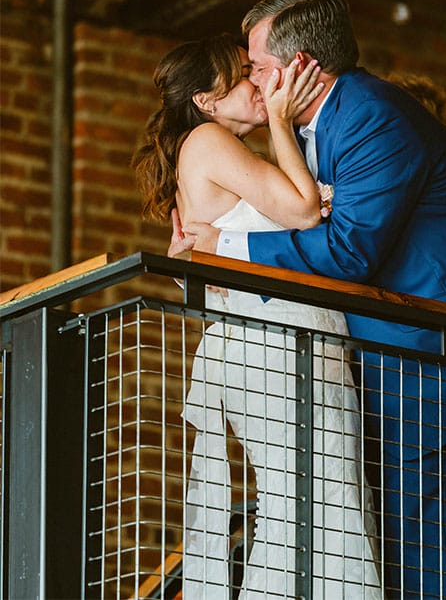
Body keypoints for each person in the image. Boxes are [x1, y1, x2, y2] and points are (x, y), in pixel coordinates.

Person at [172, 0, 446, 599]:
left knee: (432, 549)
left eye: (258, 68)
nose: (256, 84)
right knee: (381, 544)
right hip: (384, 358)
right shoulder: (302, 133)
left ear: (301, 65)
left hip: (445, 355)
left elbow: (349, 252)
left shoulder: (372, 114)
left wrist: (223, 250)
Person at [132, 34, 381, 599]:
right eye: (243, 75)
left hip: (280, 348)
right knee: (326, 500)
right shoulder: (207, 142)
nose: (257, 83)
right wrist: (280, 117)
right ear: (207, 100)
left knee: (303, 506)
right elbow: (300, 210)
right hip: (277, 353)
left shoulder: (218, 149)